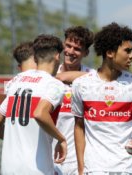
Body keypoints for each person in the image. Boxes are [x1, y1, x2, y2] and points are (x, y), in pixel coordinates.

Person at [72, 22, 132, 175]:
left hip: (127, 168)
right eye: (127, 51)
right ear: (109, 53)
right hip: (94, 168)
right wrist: (81, 168)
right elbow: (78, 127)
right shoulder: (81, 85)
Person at [0, 34, 67, 175]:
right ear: (57, 56)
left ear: (36, 58)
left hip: (8, 169)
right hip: (37, 169)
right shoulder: (54, 85)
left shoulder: (15, 82)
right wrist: (61, 139)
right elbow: (39, 113)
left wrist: (16, 141)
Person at [53, 26, 94, 175]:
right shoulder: (49, 74)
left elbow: (104, 79)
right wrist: (58, 77)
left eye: (77, 49)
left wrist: (63, 77)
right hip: (50, 157)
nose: (70, 51)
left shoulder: (92, 77)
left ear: (86, 53)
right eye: (68, 45)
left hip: (79, 161)